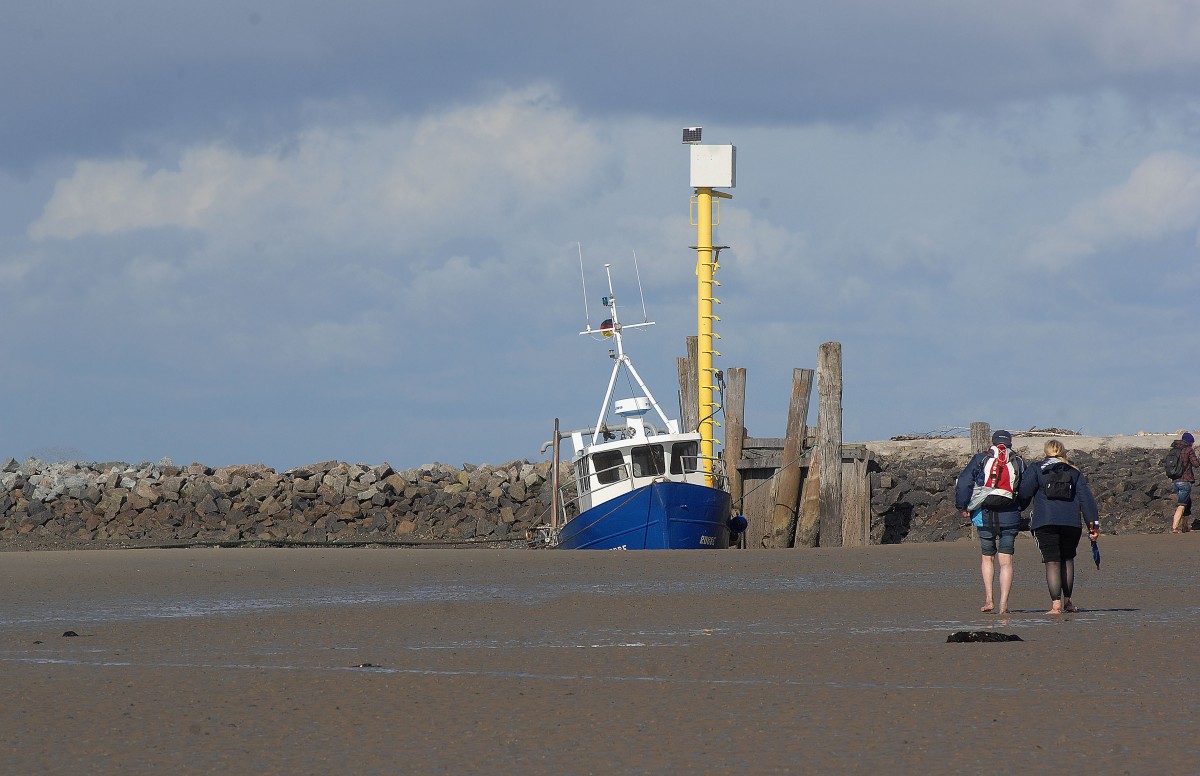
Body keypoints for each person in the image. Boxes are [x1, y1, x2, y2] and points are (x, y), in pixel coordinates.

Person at [1017, 439, 1100, 615]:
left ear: (1045, 452)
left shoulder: (1036, 468)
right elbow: (1087, 501)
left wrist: (1016, 508)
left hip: (1045, 522)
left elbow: (1024, 492)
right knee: (1067, 560)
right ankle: (1068, 602)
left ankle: (1056, 605)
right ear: (1063, 452)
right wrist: (1093, 526)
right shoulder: (1074, 472)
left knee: (1052, 562)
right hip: (1071, 523)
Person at [955, 429, 1025, 615]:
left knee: (987, 557)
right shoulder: (1018, 461)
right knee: (1006, 561)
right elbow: (1024, 490)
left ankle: (989, 599)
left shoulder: (981, 458)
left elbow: (964, 483)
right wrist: (1020, 507)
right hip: (1009, 515)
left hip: (984, 514)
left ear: (992, 443)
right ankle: (1003, 605)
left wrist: (962, 507)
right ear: (1010, 443)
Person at [1168, 432, 1199, 533]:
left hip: (1175, 481)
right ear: (1190, 442)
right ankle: (1174, 527)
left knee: (1187, 503)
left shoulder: (1174, 450)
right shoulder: (1188, 450)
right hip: (1185, 481)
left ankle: (1185, 527)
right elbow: (1196, 464)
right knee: (1181, 504)